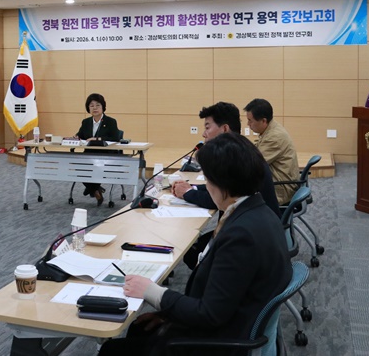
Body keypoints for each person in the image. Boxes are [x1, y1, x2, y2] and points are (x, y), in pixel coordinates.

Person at [99, 133, 292, 356]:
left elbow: (209, 314)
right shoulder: (259, 213)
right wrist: (170, 313)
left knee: (112, 350)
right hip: (230, 322)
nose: (207, 186)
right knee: (140, 328)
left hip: (219, 341)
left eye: (208, 180)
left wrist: (153, 293)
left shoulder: (241, 236)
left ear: (223, 182)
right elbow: (222, 296)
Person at [171, 102, 281, 268]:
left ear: (224, 129)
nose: (203, 134)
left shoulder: (235, 158)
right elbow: (222, 190)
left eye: (207, 127)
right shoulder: (241, 149)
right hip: (262, 228)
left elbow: (216, 199)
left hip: (253, 238)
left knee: (192, 250)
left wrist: (187, 193)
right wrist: (192, 188)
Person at [244, 98, 299, 205]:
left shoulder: (274, 137)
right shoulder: (271, 128)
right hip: (279, 182)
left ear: (263, 121)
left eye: (250, 120)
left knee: (236, 191)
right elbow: (256, 149)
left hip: (280, 190)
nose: (248, 124)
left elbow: (252, 164)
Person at [76, 93, 120, 206]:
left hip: (106, 155)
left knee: (93, 167)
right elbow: (80, 135)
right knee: (78, 166)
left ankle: (92, 188)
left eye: (97, 105)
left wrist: (97, 138)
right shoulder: (86, 122)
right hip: (89, 155)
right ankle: (95, 189)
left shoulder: (111, 121)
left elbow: (115, 138)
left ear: (103, 107)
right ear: (88, 108)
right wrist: (75, 138)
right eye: (91, 106)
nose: (94, 108)